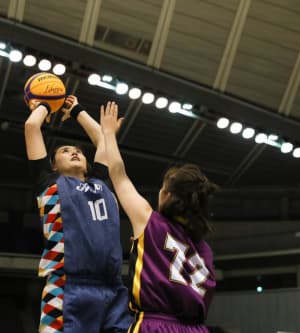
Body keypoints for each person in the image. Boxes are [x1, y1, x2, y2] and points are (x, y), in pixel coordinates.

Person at [100, 101, 218, 333]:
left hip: (156, 325)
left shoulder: (149, 221)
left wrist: (108, 133)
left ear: (169, 195)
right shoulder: (205, 250)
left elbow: (118, 174)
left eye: (162, 188)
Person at [24, 95, 132, 333]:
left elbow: (104, 140)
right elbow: (32, 127)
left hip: (112, 287)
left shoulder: (102, 182)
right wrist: (45, 104)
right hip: (67, 284)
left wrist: (77, 110)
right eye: (65, 151)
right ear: (53, 164)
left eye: (79, 152)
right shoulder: (48, 182)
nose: (74, 153)